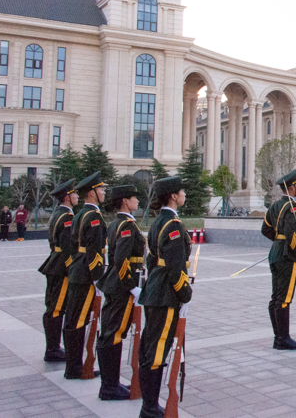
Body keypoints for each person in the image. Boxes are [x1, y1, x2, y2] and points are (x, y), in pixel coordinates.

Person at [138, 176, 192, 418]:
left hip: (154, 291)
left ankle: (148, 405)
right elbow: (175, 267)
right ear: (173, 196)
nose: (184, 195)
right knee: (158, 350)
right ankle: (149, 408)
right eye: (181, 191)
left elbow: (152, 260)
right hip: (165, 295)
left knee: (150, 348)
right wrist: (185, 292)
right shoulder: (173, 226)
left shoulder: (159, 221)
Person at [96, 185, 145, 400]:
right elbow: (121, 260)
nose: (138, 201)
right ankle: (109, 387)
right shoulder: (127, 226)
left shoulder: (117, 222)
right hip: (121, 286)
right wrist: (131, 286)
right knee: (114, 335)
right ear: (125, 201)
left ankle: (110, 383)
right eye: (135, 198)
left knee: (110, 333)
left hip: (115, 284)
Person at [63, 171, 107, 380]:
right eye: (101, 189)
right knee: (79, 320)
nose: (104, 192)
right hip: (87, 274)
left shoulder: (80, 214)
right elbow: (94, 249)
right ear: (91, 193)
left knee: (73, 318)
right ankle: (74, 368)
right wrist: (98, 277)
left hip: (77, 270)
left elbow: (73, 246)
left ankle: (72, 365)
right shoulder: (94, 217)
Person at [261, 169, 296, 350]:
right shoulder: (292, 207)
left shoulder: (274, 206)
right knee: (284, 299)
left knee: (276, 297)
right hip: (286, 257)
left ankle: (278, 337)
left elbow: (265, 229)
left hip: (275, 254)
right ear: (292, 188)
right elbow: (291, 233)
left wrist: (278, 240)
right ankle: (283, 338)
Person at [37, 178, 78, 362]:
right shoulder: (67, 217)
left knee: (53, 306)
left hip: (54, 261)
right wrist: (72, 269)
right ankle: (52, 349)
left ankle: (53, 347)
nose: (77, 196)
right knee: (56, 308)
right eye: (75, 194)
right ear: (68, 197)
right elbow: (68, 246)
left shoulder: (58, 214)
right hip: (62, 266)